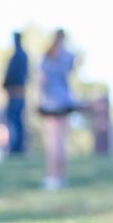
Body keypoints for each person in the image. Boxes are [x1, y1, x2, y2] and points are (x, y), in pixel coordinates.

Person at [37, 29, 82, 191]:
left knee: (53, 141)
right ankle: (60, 176)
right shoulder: (68, 57)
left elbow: (42, 81)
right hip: (64, 101)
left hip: (51, 102)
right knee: (61, 140)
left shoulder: (47, 57)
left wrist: (40, 99)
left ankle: (53, 176)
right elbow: (70, 78)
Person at [2, 31, 29, 155]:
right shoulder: (23, 56)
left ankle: (16, 148)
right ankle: (18, 147)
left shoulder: (18, 56)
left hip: (15, 93)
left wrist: (6, 85)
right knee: (17, 121)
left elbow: (11, 75)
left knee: (15, 121)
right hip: (18, 93)